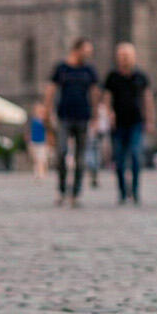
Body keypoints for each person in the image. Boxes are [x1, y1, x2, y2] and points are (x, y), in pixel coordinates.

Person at [45, 37, 101, 207]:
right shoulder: (62, 69)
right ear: (76, 50)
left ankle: (75, 193)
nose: (89, 54)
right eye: (86, 51)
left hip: (83, 117)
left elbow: (94, 93)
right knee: (61, 152)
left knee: (80, 158)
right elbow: (51, 90)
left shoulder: (89, 70)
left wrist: (96, 116)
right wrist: (47, 112)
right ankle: (62, 189)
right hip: (64, 117)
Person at [103, 42, 152, 205]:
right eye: (122, 56)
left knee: (136, 155)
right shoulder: (112, 76)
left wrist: (149, 119)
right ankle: (123, 191)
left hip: (136, 122)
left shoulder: (141, 76)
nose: (124, 58)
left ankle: (135, 190)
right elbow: (107, 97)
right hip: (118, 124)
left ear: (134, 57)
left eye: (127, 55)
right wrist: (109, 113)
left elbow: (147, 98)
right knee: (119, 158)